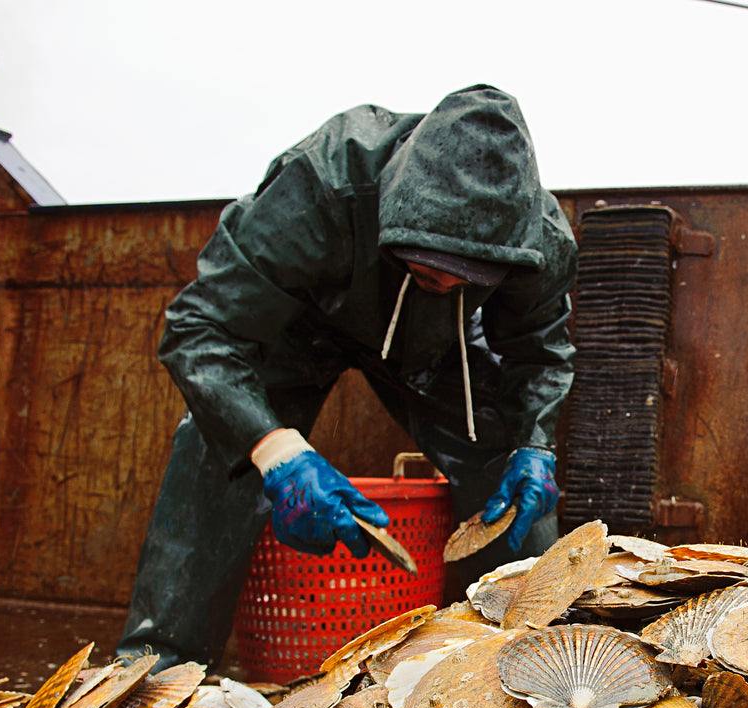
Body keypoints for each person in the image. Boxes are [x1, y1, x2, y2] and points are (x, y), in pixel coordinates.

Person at [115, 84, 576, 670]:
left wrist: (535, 444)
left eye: (467, 275)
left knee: (513, 473)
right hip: (301, 319)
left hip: (441, 342)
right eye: (431, 267)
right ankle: (152, 671)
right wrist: (275, 449)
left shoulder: (542, 240)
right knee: (219, 441)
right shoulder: (322, 180)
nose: (446, 279)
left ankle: (527, 667)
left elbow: (540, 351)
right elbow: (199, 328)